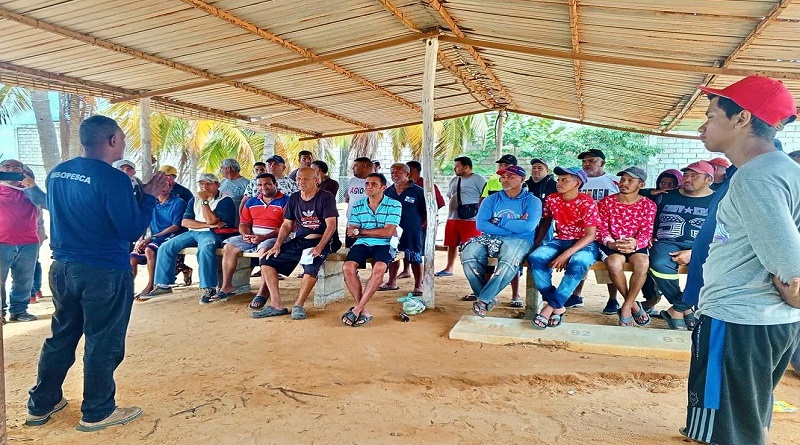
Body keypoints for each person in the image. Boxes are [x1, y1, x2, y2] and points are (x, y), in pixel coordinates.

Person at [27, 115, 169, 431]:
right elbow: (131, 228)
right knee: (103, 340)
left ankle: (41, 403)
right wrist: (147, 197)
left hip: (63, 268)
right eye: (121, 137)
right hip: (104, 270)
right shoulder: (113, 179)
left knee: (61, 336)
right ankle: (98, 410)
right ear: (112, 141)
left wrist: (141, 191)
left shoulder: (57, 173)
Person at [680, 76, 800, 445]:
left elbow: (790, 263)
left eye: (712, 115)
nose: (703, 126)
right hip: (767, 320)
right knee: (744, 416)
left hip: (739, 319)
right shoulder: (785, 170)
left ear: (742, 119)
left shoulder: (756, 177)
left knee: (731, 431)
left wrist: (797, 289)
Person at [253, 167, 340, 320]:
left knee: (310, 266)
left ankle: (298, 305)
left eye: (306, 179)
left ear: (316, 180)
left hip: (323, 240)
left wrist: (319, 247)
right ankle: (276, 305)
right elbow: (287, 225)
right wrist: (277, 244)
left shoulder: (325, 197)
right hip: (300, 240)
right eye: (299, 179)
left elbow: (331, 225)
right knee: (266, 260)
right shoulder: (294, 198)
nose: (301, 182)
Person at [142, 173, 237, 303]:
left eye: (209, 183)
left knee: (205, 249)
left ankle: (209, 287)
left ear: (217, 185)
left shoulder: (225, 200)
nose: (205, 186)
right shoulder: (194, 199)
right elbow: (185, 222)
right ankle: (163, 285)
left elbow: (213, 220)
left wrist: (204, 202)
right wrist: (207, 224)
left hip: (213, 233)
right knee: (166, 247)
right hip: (194, 231)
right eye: (202, 183)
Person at [641, 161, 715, 327]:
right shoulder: (666, 195)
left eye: (694, 176)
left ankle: (678, 309)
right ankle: (686, 309)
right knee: (659, 263)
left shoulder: (717, 200)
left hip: (703, 245)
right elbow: (633, 192)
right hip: (666, 242)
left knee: (710, 267)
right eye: (686, 175)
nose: (688, 179)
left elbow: (722, 232)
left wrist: (694, 252)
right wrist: (652, 192)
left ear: (708, 179)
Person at [463, 165, 540, 317]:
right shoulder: (491, 199)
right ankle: (487, 299)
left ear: (522, 179)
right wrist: (516, 224)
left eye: (510, 177)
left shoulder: (532, 201)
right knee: (468, 254)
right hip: (491, 237)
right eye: (503, 177)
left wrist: (497, 221)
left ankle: (483, 300)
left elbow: (529, 226)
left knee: (509, 259)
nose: (505, 180)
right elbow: (481, 224)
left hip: (520, 240)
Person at [528, 166, 600, 329]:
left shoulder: (587, 202)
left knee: (579, 262)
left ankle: (548, 309)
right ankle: (558, 306)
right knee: (535, 258)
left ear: (577, 183)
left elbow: (591, 235)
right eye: (559, 179)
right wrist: (535, 245)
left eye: (564, 180)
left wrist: (565, 255)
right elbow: (546, 221)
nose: (559, 183)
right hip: (560, 240)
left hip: (584, 242)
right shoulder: (552, 199)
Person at [595, 167, 656, 327]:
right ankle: (634, 305)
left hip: (635, 244)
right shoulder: (605, 203)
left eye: (630, 180)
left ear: (641, 185)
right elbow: (601, 229)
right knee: (613, 263)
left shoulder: (648, 205)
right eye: (623, 179)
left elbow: (647, 231)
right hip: (611, 243)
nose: (624, 183)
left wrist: (634, 243)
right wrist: (611, 243)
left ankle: (627, 306)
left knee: (642, 262)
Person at [216, 173, 289, 306]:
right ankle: (227, 286)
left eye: (267, 184)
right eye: (260, 185)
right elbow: (243, 224)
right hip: (253, 235)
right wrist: (245, 235)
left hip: (275, 237)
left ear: (276, 185)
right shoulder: (251, 201)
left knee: (264, 250)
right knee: (229, 246)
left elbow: (287, 227)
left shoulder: (286, 201)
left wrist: (264, 237)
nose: (263, 187)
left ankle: (262, 292)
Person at [341, 173, 402, 326]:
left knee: (379, 267)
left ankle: (357, 309)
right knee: (347, 267)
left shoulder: (394, 204)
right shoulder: (358, 204)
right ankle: (363, 310)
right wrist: (362, 232)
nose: (368, 186)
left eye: (373, 184)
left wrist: (361, 231)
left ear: (383, 187)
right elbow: (351, 230)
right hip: (362, 243)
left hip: (386, 243)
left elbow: (388, 232)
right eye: (367, 183)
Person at [566, 148, 620, 315]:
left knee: (609, 263)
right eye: (584, 161)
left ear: (602, 163)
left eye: (591, 161)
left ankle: (613, 299)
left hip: (607, 231)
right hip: (581, 230)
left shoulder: (615, 181)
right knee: (579, 260)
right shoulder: (578, 182)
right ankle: (576, 295)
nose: (586, 164)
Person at [1, 159, 47, 322]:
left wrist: (30, 185)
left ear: (23, 170)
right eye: (7, 167)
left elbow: (45, 203)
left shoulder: (29, 189)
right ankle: (1, 313)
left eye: (16, 167)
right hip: (2, 242)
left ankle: (19, 311)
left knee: (24, 280)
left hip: (28, 242)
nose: (11, 170)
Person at [129, 181, 187, 296]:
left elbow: (176, 226)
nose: (162, 188)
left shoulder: (178, 202)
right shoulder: (152, 202)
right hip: (154, 237)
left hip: (171, 235)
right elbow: (145, 222)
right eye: (159, 185)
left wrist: (152, 237)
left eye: (165, 185)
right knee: (133, 257)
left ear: (171, 187)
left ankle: (152, 284)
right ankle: (128, 289)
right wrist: (141, 238)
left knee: (149, 250)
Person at [436, 156, 486, 277]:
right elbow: (450, 195)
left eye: (457, 166)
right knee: (451, 243)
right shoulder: (454, 180)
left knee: (471, 245)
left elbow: (484, 197)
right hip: (453, 217)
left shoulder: (479, 179)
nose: (455, 168)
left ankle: (474, 269)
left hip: (471, 219)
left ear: (466, 167)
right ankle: (449, 268)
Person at [382, 163, 426, 295]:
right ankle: (391, 282)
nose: (394, 175)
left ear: (407, 174)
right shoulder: (387, 192)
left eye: (398, 172)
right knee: (393, 256)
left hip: (412, 232)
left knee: (415, 257)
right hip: (392, 231)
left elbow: (425, 212)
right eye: (392, 172)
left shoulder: (418, 191)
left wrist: (417, 225)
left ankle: (418, 285)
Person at [157, 164, 194, 284]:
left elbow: (191, 210)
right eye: (162, 176)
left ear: (173, 177)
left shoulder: (183, 192)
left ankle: (168, 280)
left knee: (174, 259)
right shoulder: (157, 190)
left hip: (179, 230)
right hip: (161, 230)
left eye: (168, 176)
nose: (165, 179)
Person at [343, 157, 373, 247]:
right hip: (351, 225)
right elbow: (347, 199)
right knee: (351, 253)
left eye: (355, 166)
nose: (353, 168)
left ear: (364, 166)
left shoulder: (380, 182)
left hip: (370, 227)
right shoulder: (351, 181)